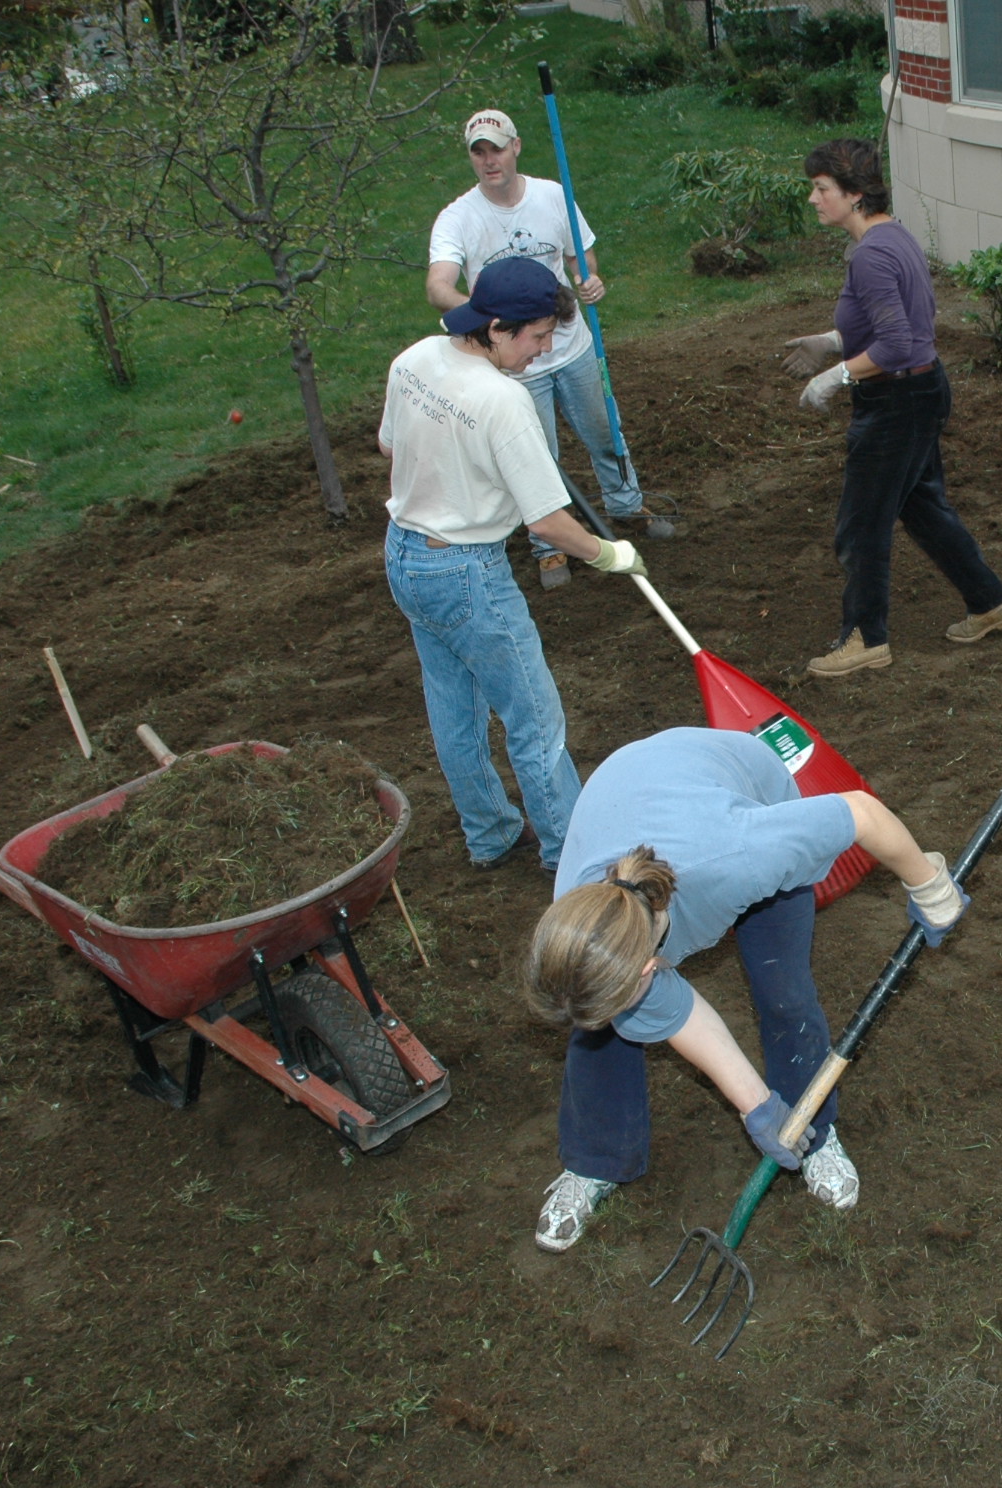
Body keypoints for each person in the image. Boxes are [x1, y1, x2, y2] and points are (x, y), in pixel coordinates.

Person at [522, 726, 971, 1251]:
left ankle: (815, 1131)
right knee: (596, 1025)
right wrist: (756, 1106)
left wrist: (930, 886)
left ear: (648, 969)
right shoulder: (579, 916)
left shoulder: (745, 853)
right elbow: (684, 1017)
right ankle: (595, 1162)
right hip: (624, 791)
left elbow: (861, 814)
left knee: (785, 991)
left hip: (738, 785)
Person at [380, 257, 649, 873]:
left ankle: (491, 834)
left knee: (454, 707)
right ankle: (571, 854)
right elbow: (549, 523)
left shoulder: (415, 358)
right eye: (537, 336)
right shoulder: (503, 400)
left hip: (405, 557)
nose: (546, 350)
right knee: (534, 718)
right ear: (497, 327)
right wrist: (611, 554)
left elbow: (390, 444)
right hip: (468, 574)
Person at [781, 137, 1002, 679]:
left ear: (854, 194)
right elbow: (898, 322)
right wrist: (833, 339)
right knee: (924, 509)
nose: (814, 200)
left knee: (862, 524)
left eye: (822, 190)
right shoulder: (894, 237)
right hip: (920, 391)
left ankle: (865, 637)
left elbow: (898, 344)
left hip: (896, 402)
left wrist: (834, 377)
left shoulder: (871, 255)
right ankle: (991, 602)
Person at [426, 107, 672, 594]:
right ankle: (548, 546)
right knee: (536, 456)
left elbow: (579, 254)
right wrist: (486, 316)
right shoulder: (459, 217)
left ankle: (624, 503)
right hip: (517, 364)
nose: (489, 160)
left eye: (496, 148)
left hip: (573, 346)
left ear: (515, 147)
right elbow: (438, 286)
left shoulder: (552, 198)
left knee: (604, 429)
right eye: (478, 152)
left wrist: (588, 278)